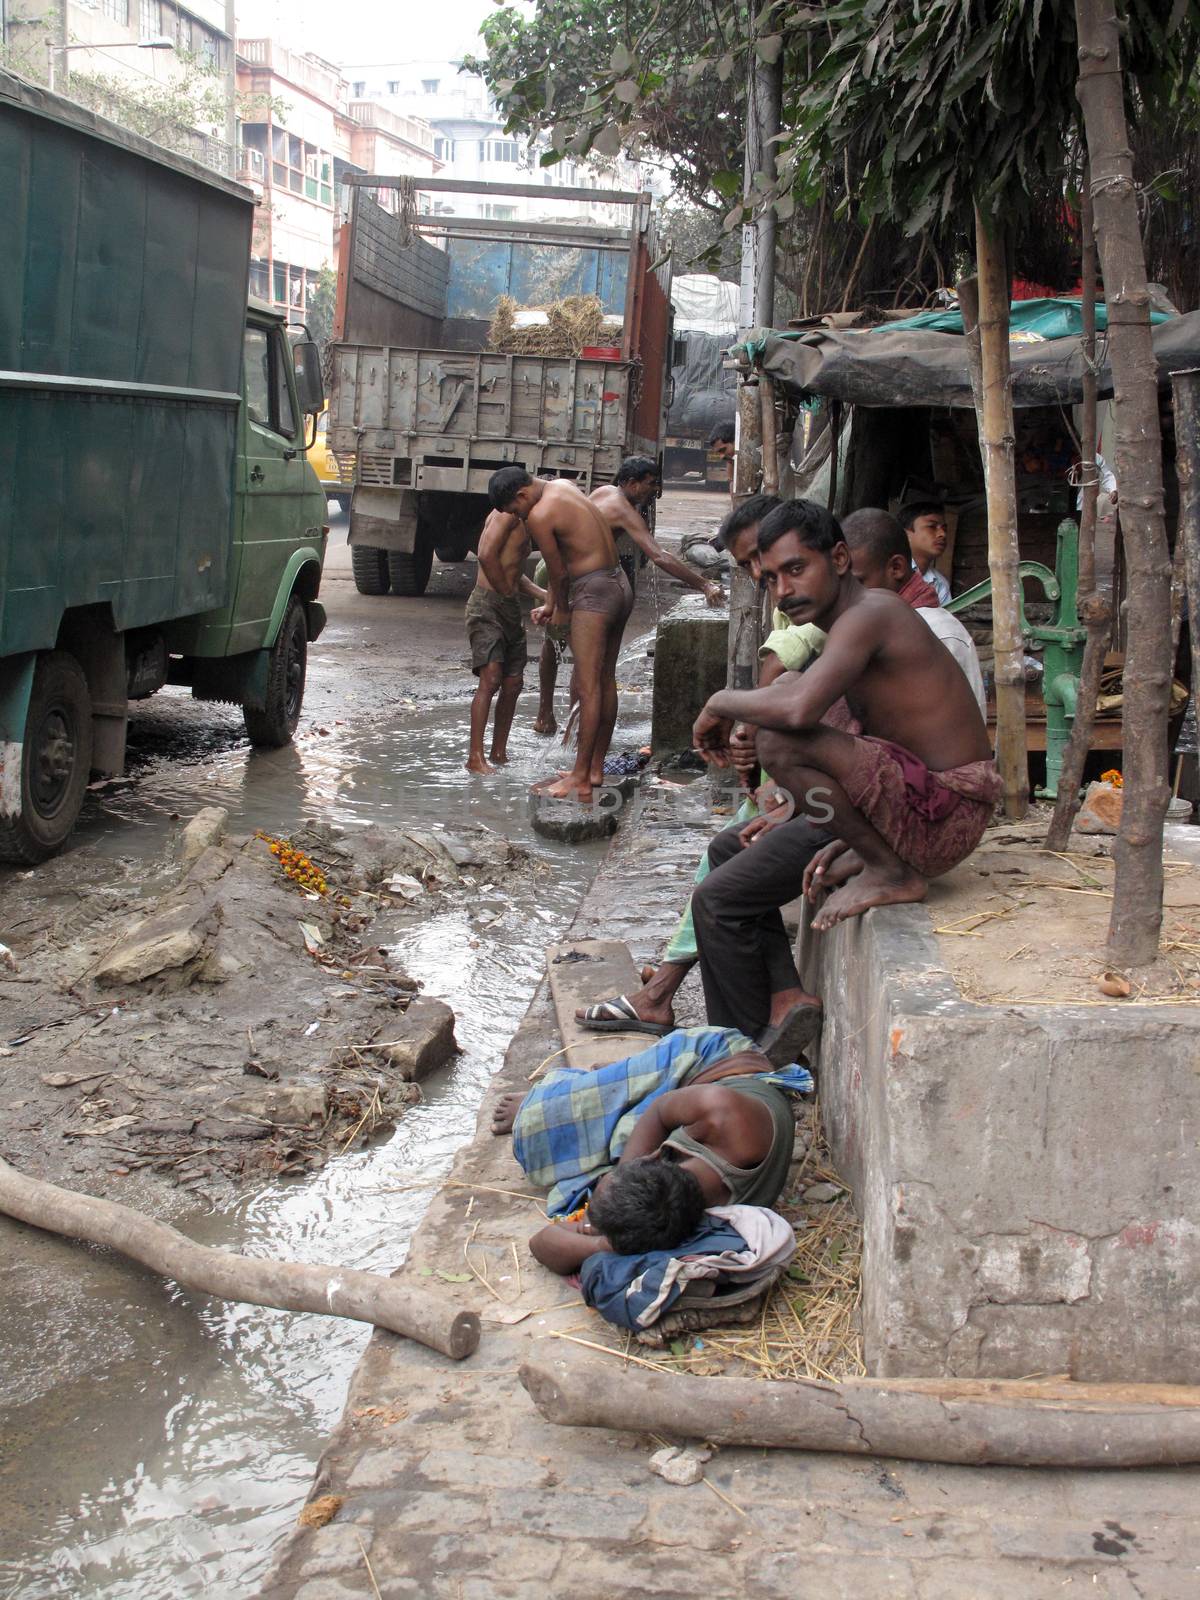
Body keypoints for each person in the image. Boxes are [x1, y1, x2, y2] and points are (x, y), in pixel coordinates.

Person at [690, 498, 1000, 1038]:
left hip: (945, 814)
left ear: (838, 559)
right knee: (727, 849)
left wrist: (720, 701)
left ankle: (737, 1062)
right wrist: (804, 812)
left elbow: (798, 714)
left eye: (795, 569)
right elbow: (819, 711)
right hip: (916, 803)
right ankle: (781, 1003)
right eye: (770, 580)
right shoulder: (848, 626)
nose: (783, 591)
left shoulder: (873, 613)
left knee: (719, 894)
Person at [487, 1024, 805, 1274]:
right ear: (656, 1154)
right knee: (549, 1123)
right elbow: (658, 1112)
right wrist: (613, 1191)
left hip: (688, 1114)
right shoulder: (721, 1112)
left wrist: (608, 1244)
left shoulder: (666, 1222)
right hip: (719, 1061)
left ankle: (614, 1079)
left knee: (599, 1145)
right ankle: (622, 1075)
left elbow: (542, 1243)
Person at [842, 508, 986, 715]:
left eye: (859, 582)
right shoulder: (877, 625)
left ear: (897, 568)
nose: (848, 595)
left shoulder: (938, 633)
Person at [464, 509, 544, 774]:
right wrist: (501, 591)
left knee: (513, 682)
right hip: (487, 604)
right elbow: (486, 556)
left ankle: (498, 752)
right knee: (491, 678)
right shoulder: (506, 514)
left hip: (509, 607)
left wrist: (544, 595)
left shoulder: (529, 524)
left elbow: (512, 571)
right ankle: (475, 757)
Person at [901, 500, 953, 607]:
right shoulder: (889, 572)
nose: (942, 534)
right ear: (906, 535)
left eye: (944, 529)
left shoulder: (940, 584)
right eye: (932, 527)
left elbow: (943, 622)